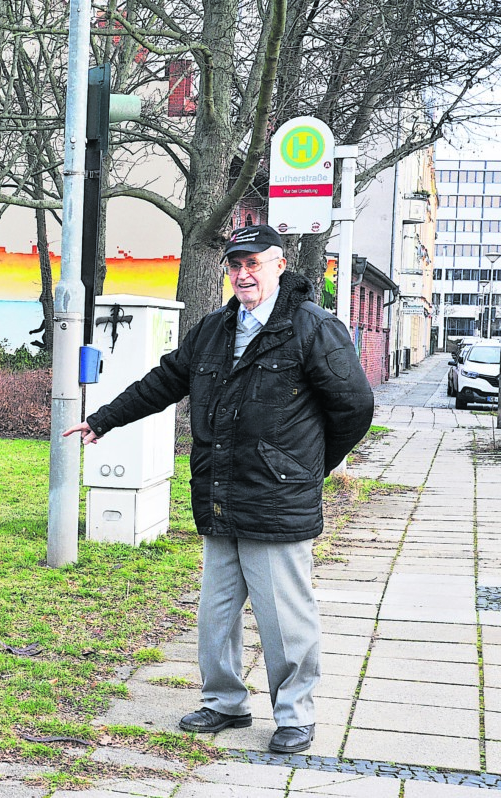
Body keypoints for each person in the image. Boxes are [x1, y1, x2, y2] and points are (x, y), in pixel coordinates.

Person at [64, 225, 374, 754]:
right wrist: (105, 419)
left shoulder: (313, 327)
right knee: (216, 611)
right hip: (219, 490)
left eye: (253, 264)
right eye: (235, 265)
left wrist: (306, 467)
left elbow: (355, 407)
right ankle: (224, 701)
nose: (242, 274)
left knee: (283, 617)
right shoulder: (213, 329)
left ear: (279, 265)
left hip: (278, 498)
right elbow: (164, 381)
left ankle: (295, 714)